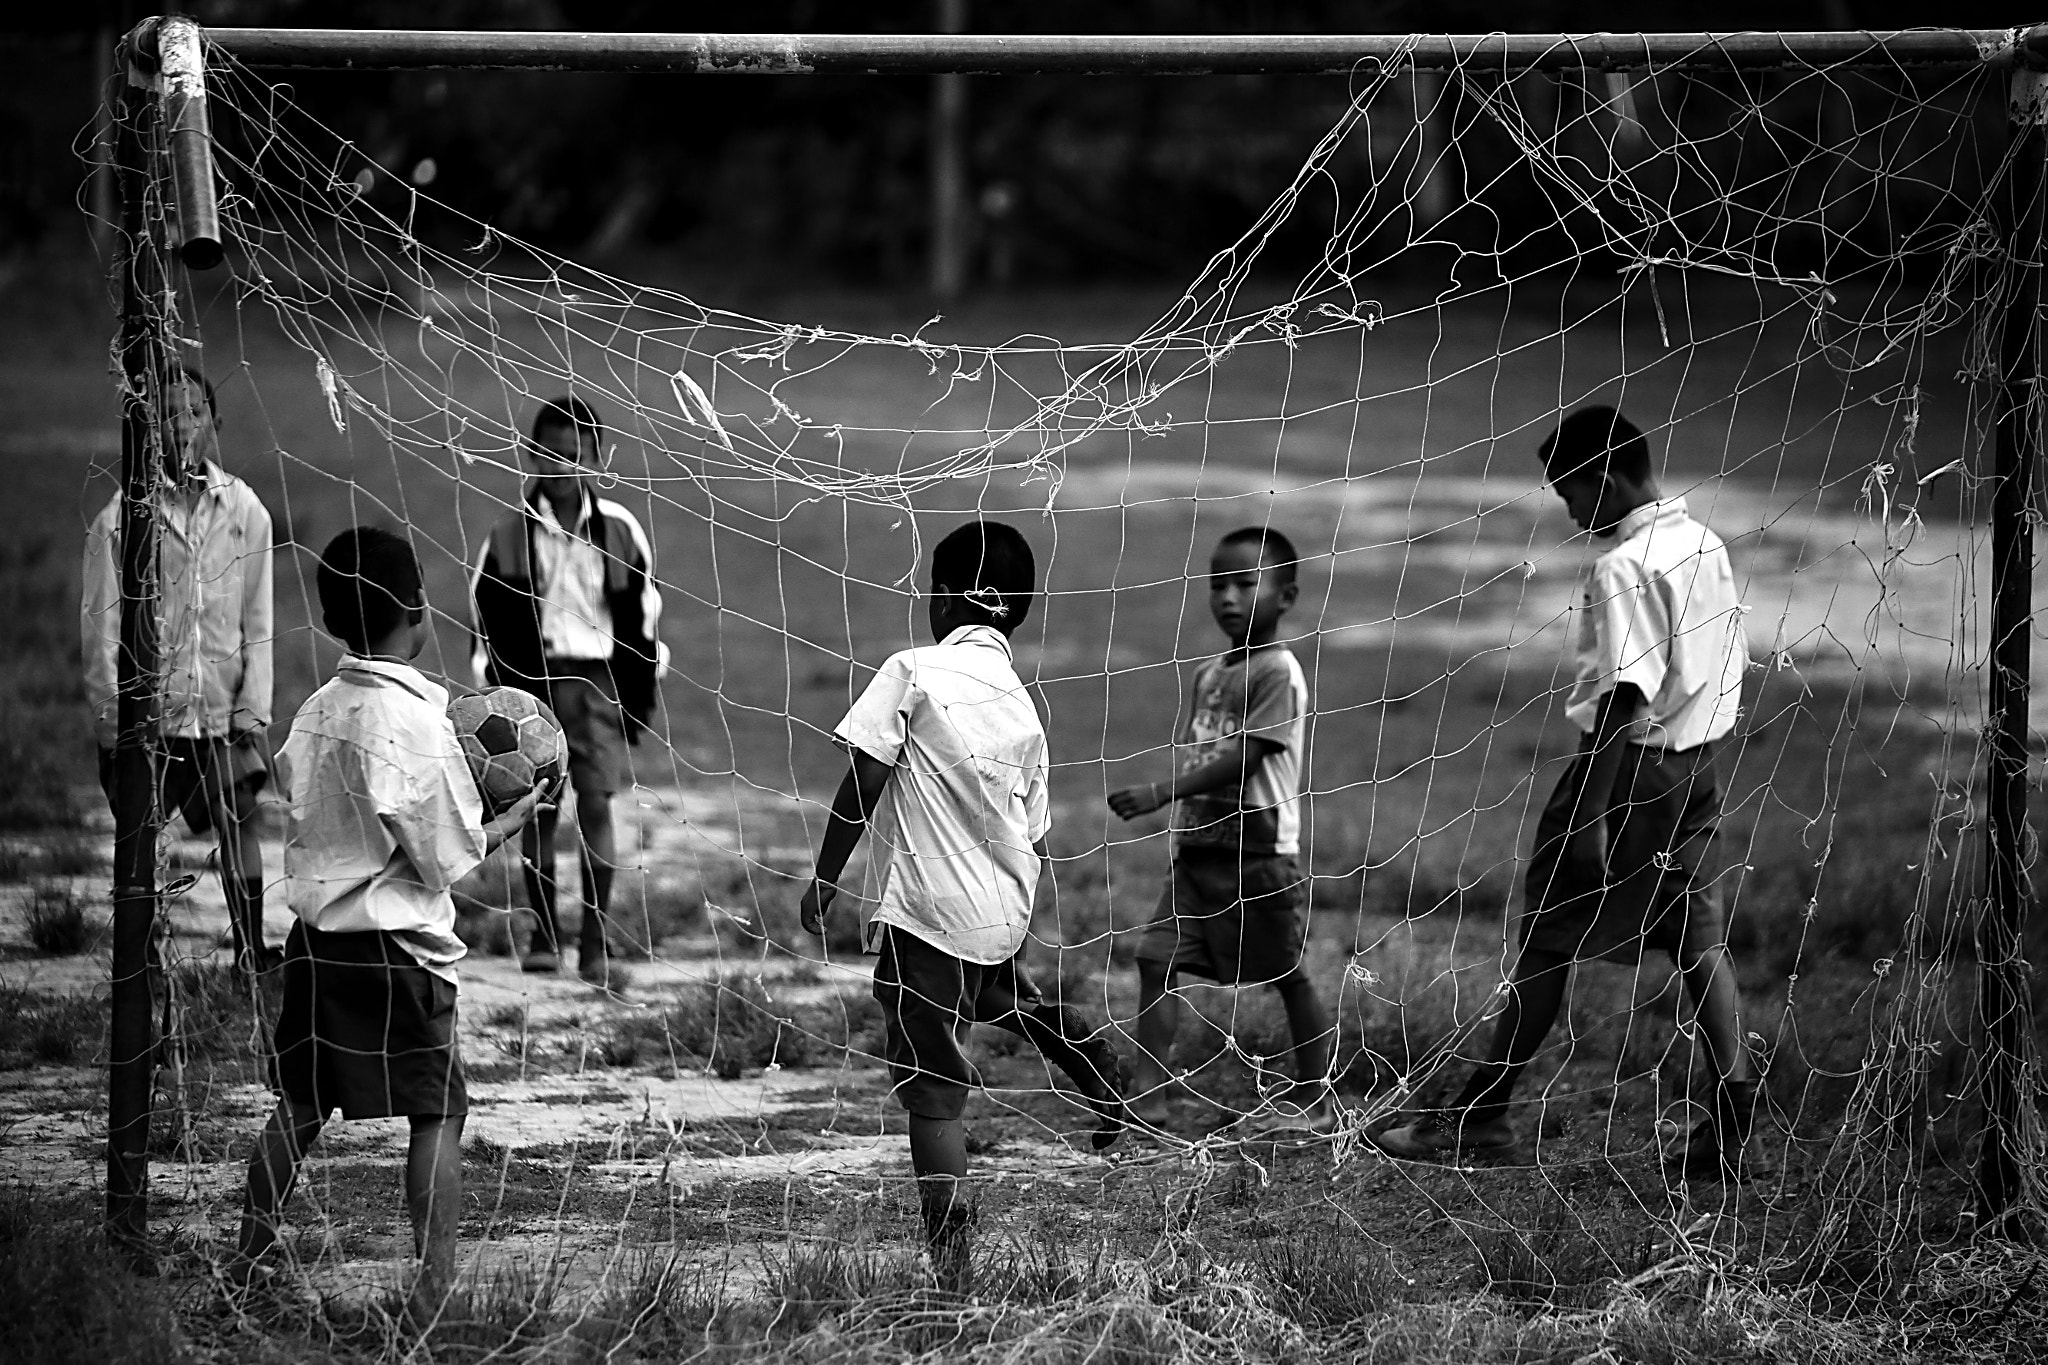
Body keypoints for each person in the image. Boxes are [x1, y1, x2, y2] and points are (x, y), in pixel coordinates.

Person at [1372, 406, 1757, 1179]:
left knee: (1547, 942)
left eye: (1571, 494)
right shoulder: (1703, 541)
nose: (1571, 512)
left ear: (1607, 478)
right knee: (1696, 938)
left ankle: (1480, 1117)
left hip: (1626, 775)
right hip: (1698, 769)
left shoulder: (1624, 564)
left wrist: (1590, 818)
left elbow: (1625, 694)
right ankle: (1734, 1115)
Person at [799, 519, 1128, 1293]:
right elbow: (1034, 826)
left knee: (932, 1086)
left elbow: (865, 779)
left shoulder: (912, 668)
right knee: (993, 989)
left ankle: (951, 1262)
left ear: (942, 597)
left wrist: (824, 877)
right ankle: (1079, 1047)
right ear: (1019, 611)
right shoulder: (1021, 702)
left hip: (927, 910)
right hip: (1003, 900)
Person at [229, 527, 548, 1318]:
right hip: (400, 949)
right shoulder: (418, 726)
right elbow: (444, 855)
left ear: (334, 621)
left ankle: (247, 1256)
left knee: (300, 1104)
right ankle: (435, 1286)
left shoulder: (312, 712)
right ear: (419, 610)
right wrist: (514, 815)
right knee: (439, 1110)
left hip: (316, 943)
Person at [1109, 526, 1336, 1138]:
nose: (1228, 598)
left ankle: (1316, 1095)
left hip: (1257, 849)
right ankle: (1148, 1097)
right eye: (1218, 585)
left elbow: (1248, 755)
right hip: (1199, 849)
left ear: (1285, 596)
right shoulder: (1210, 673)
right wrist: (1181, 822)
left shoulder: (1278, 671)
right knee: (1153, 958)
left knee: (1286, 972)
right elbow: (1200, 750)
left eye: (1245, 583)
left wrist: (1162, 793)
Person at [82, 363, 277, 976]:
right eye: (167, 414)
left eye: (194, 412)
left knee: (241, 811)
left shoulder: (246, 511)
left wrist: (253, 707)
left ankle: (251, 948)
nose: (182, 425)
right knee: (139, 831)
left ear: (214, 423)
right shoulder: (118, 521)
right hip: (148, 716)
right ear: (143, 428)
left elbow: (260, 621)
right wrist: (113, 723)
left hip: (219, 709)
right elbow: (101, 630)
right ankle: (136, 958)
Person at [471, 397, 663, 986]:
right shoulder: (507, 532)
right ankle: (544, 931)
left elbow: (642, 616)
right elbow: (486, 616)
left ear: (596, 460)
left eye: (574, 455)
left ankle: (597, 936)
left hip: (598, 682)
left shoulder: (618, 530)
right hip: (532, 684)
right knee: (538, 807)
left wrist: (638, 695)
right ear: (530, 454)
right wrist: (497, 694)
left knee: (598, 803)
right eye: (548, 453)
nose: (560, 466)